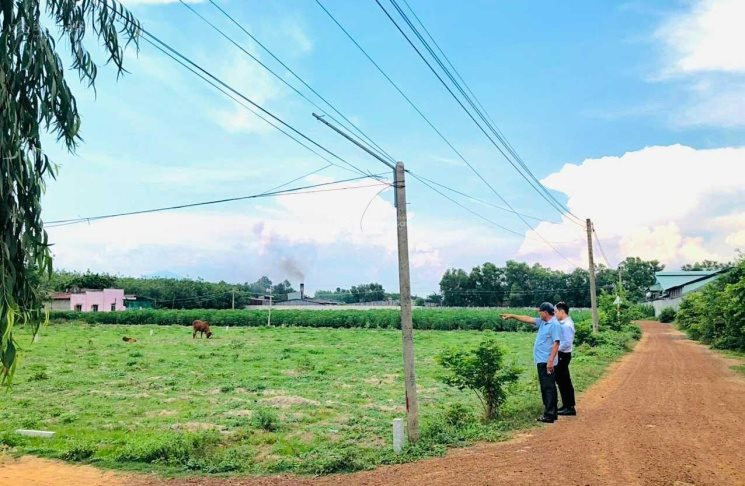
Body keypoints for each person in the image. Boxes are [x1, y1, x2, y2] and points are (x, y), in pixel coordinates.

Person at [501, 302, 562, 423]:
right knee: (548, 387)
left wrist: (550, 360)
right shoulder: (543, 322)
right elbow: (527, 319)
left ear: (544, 312)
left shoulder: (554, 324)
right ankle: (552, 412)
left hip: (546, 361)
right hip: (542, 360)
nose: (538, 313)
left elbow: (557, 343)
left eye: (539, 311)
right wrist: (512, 315)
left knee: (547, 387)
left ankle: (549, 414)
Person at [554, 301, 576, 416]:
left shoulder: (567, 325)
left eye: (556, 312)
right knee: (563, 381)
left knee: (564, 381)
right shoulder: (563, 323)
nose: (555, 314)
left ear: (562, 312)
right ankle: (567, 405)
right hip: (562, 355)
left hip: (562, 355)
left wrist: (554, 351)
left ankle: (569, 407)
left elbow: (567, 343)